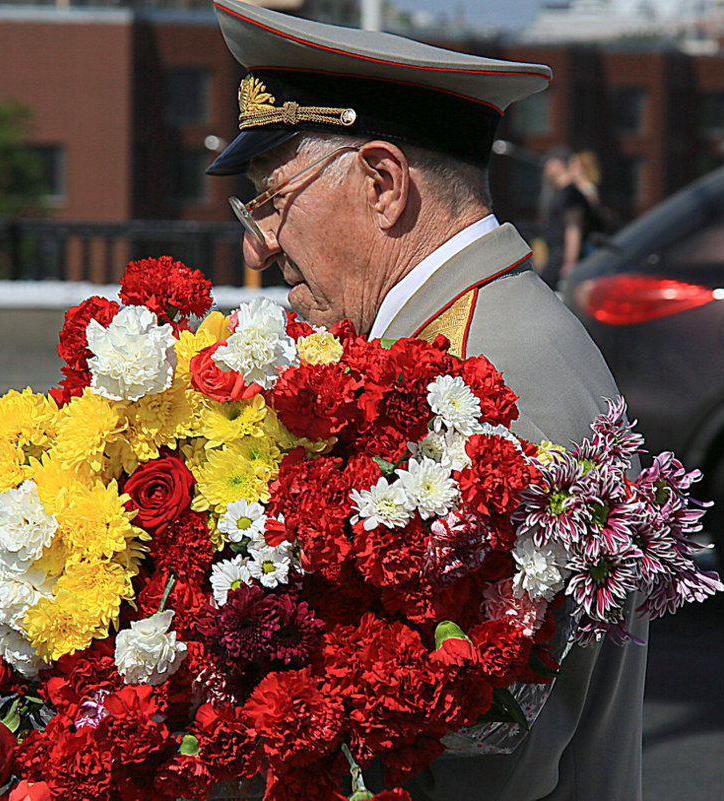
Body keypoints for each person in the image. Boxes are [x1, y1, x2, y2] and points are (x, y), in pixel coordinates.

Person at [206, 3, 648, 799]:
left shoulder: (482, 374)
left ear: (382, 184)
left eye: (269, 199)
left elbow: (482, 740)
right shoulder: (484, 330)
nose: (256, 243)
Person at [537, 149, 594, 291]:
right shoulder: (560, 193)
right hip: (556, 253)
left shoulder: (570, 194)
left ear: (560, 165)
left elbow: (574, 227)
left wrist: (570, 262)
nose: (546, 169)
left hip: (562, 255)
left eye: (549, 164)